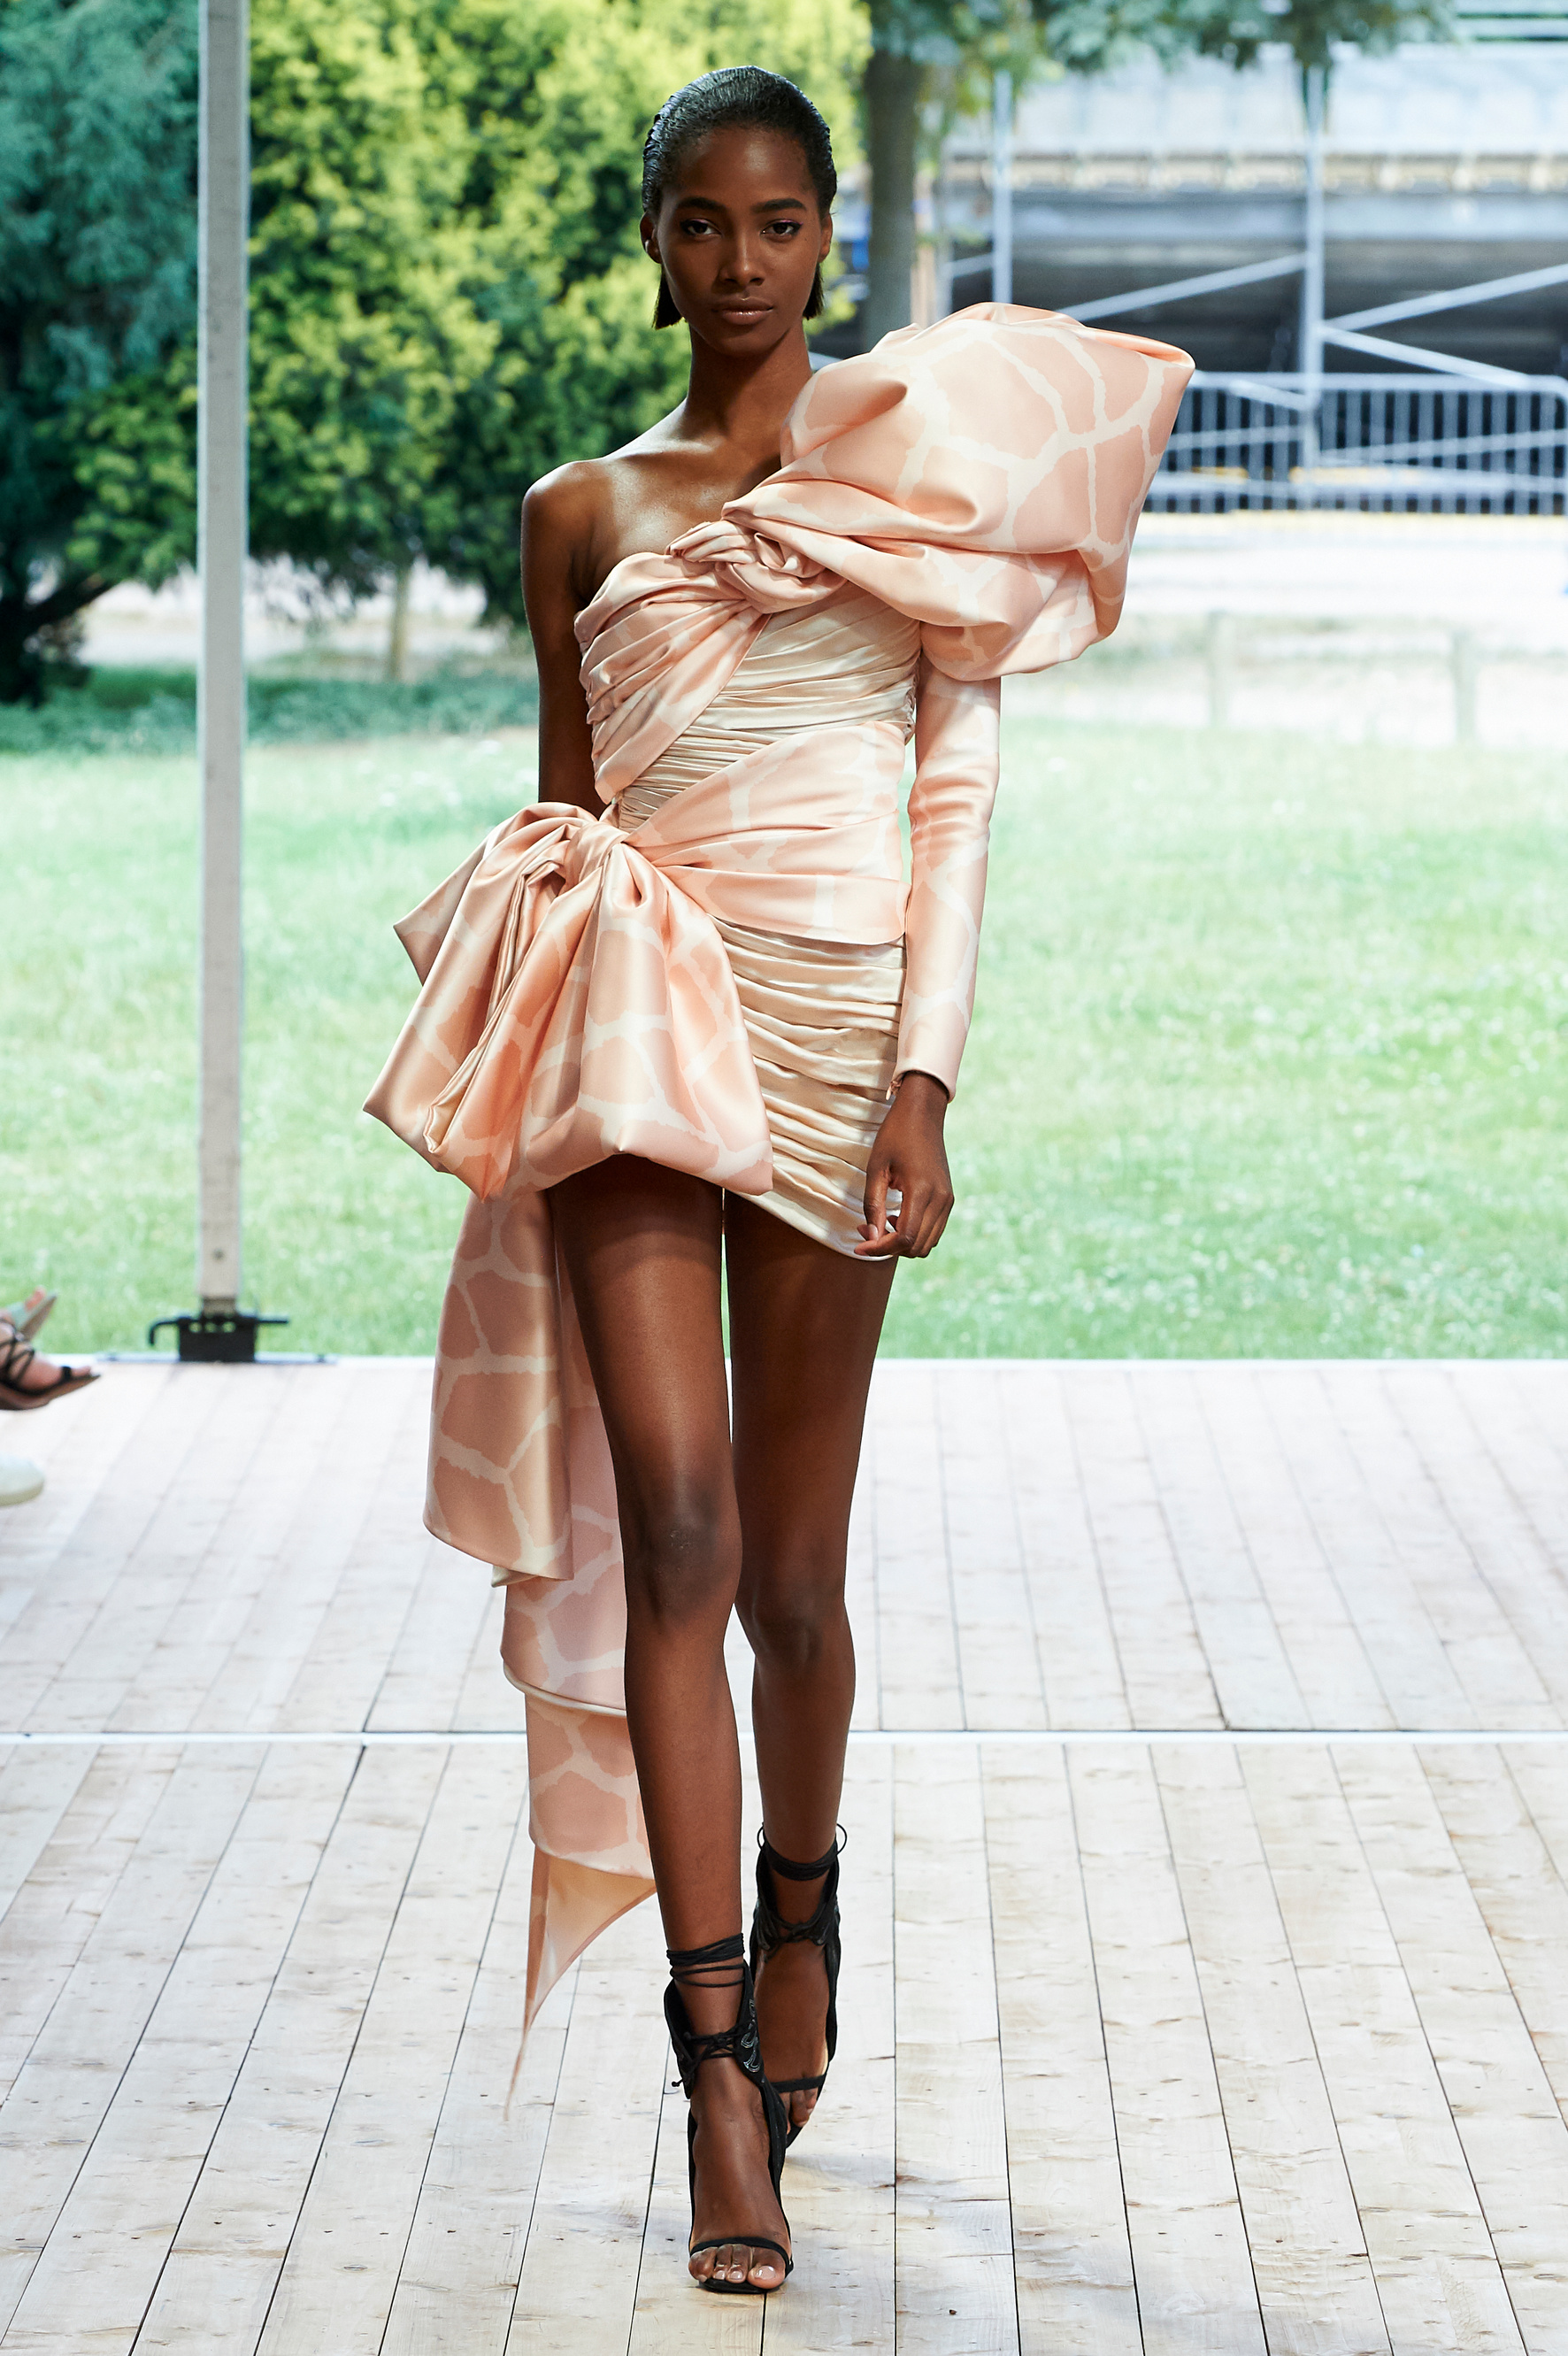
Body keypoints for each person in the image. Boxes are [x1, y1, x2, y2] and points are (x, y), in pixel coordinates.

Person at [368, 65, 1189, 2297]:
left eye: (777, 222)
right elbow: (570, 824)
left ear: (827, 234)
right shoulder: (576, 510)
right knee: (678, 1525)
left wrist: (925, 1081)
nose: (738, 260)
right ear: (651, 240)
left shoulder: (914, 474)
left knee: (793, 1586)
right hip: (636, 1025)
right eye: (699, 222)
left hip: (840, 1047)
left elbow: (956, 791)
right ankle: (715, 2067)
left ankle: (804, 1900)